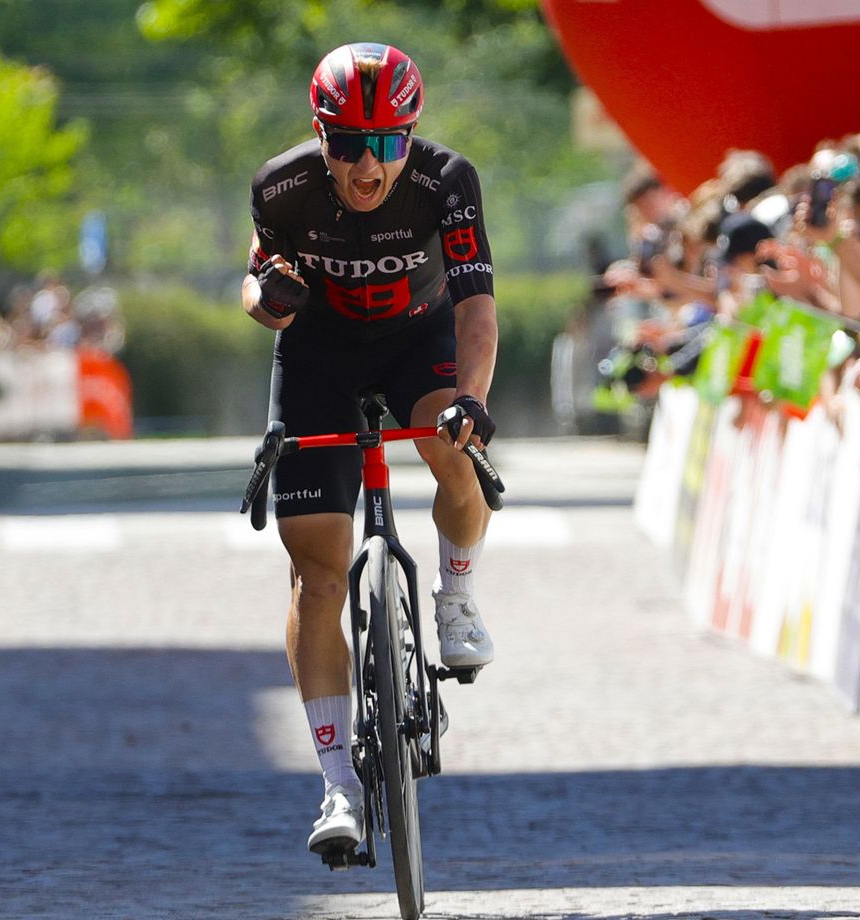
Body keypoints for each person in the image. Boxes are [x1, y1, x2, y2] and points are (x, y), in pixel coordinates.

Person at [242, 42, 498, 856]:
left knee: (454, 450)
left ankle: (456, 596)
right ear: (321, 134)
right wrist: (268, 300)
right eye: (348, 143)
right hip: (319, 356)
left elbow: (477, 309)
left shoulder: (445, 181)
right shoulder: (280, 188)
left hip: (419, 342)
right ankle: (336, 787)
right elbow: (258, 287)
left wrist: (471, 400)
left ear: (409, 135)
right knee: (317, 578)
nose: (366, 164)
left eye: (386, 143)